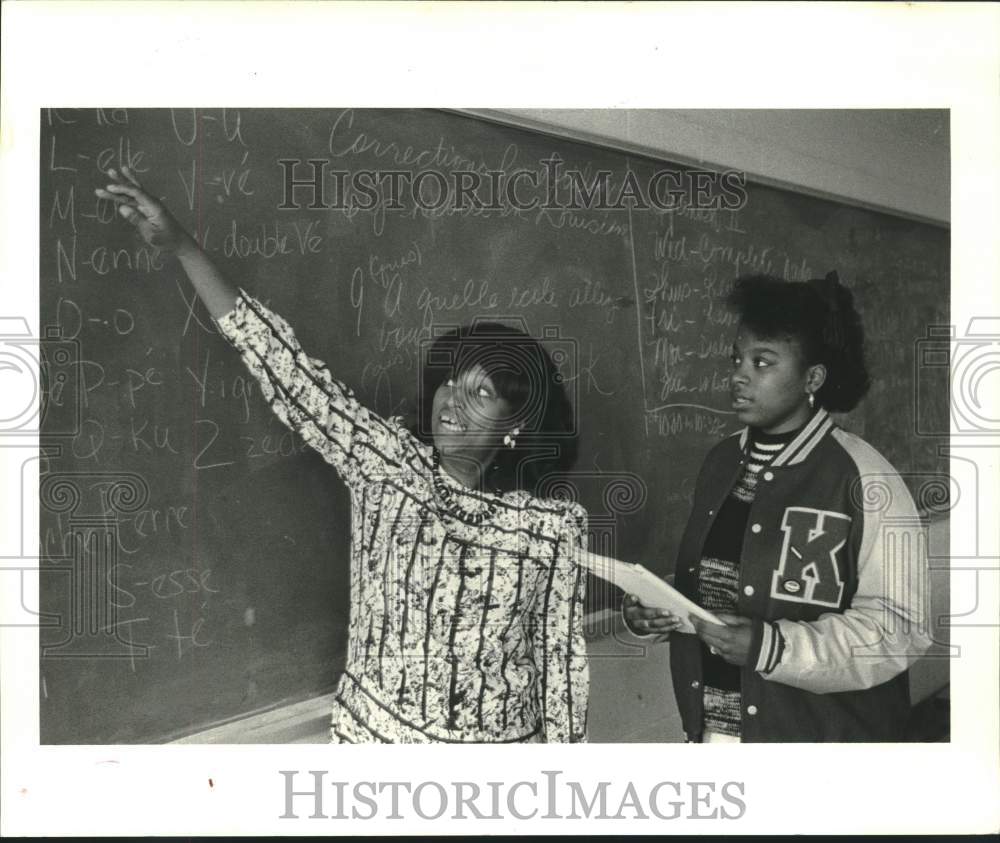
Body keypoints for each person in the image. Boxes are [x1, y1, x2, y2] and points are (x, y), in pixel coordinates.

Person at [97, 167, 589, 743]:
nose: (452, 398)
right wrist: (183, 247)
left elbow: (562, 680)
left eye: (482, 392)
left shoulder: (552, 527)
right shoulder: (386, 466)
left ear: (515, 425)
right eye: (450, 380)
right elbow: (285, 366)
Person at [624, 272, 932, 742]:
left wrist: (775, 647)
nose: (738, 375)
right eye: (737, 359)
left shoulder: (867, 479)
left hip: (818, 748)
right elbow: (734, 577)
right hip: (715, 733)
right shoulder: (721, 460)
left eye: (762, 362)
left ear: (813, 378)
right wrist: (659, 608)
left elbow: (899, 629)